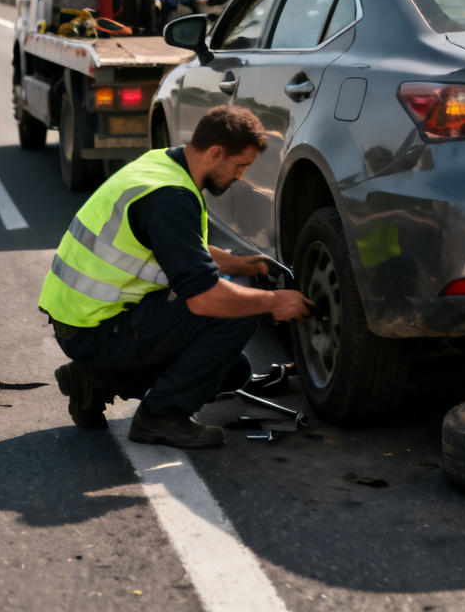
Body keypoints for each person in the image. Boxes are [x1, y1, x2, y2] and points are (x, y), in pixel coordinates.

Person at [39, 105, 314, 449]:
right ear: (215, 152)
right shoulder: (170, 197)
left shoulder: (163, 166)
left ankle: (96, 380)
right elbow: (206, 299)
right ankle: (160, 417)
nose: (241, 176)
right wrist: (274, 301)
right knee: (235, 312)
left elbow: (175, 246)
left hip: (84, 319)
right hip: (94, 330)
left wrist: (240, 264)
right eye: (240, 165)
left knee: (233, 372)